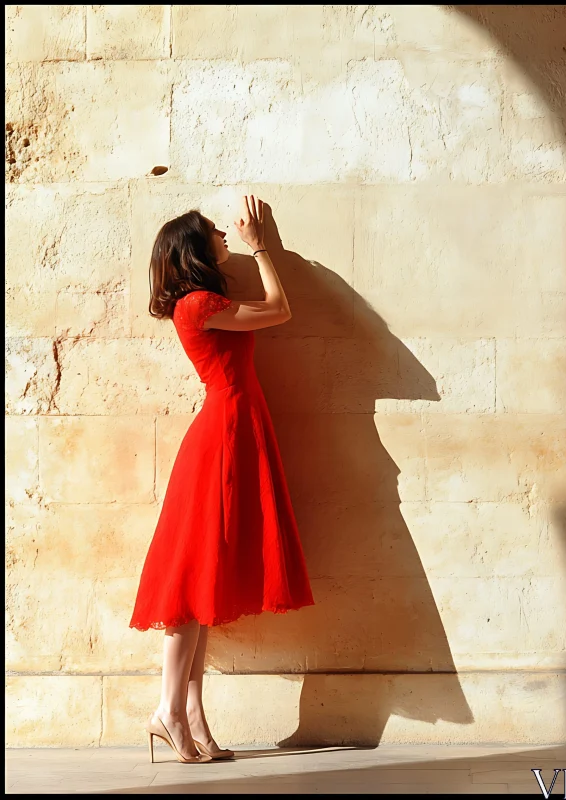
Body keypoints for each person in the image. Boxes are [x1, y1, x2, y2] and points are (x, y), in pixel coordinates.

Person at [129, 195, 315, 764]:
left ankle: (193, 721)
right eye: (213, 231)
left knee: (205, 583)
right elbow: (281, 309)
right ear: (194, 248)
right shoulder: (199, 303)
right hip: (223, 435)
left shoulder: (203, 300)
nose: (223, 234)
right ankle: (167, 710)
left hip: (233, 429)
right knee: (192, 582)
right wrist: (262, 248)